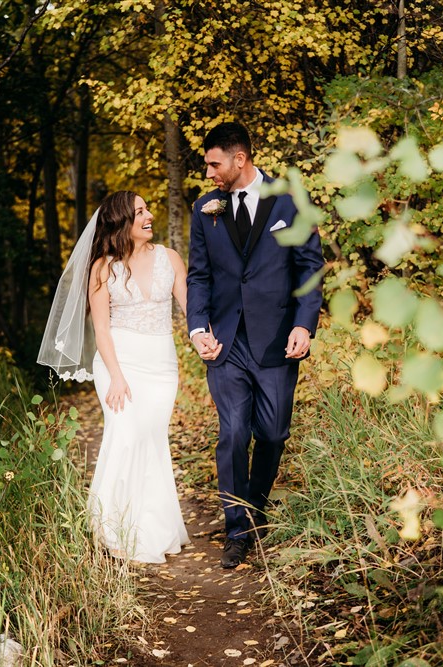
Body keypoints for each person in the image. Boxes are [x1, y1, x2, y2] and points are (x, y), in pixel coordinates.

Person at [186, 122, 324, 569]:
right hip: (226, 343)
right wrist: (197, 329)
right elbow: (199, 276)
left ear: (239, 159)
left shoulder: (289, 201)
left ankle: (256, 508)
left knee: (273, 433)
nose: (208, 172)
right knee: (232, 433)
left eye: (213, 163)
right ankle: (236, 530)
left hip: (276, 340)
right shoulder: (204, 209)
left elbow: (309, 267)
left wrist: (304, 326)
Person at [38, 191, 190, 563]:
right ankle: (110, 529)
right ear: (122, 222)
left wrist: (207, 337)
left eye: (147, 209)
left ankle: (154, 528)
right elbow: (102, 331)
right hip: (118, 364)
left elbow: (193, 309)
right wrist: (118, 377)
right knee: (125, 437)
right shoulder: (103, 269)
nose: (149, 215)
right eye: (139, 212)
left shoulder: (169, 259)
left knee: (153, 440)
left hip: (161, 367)